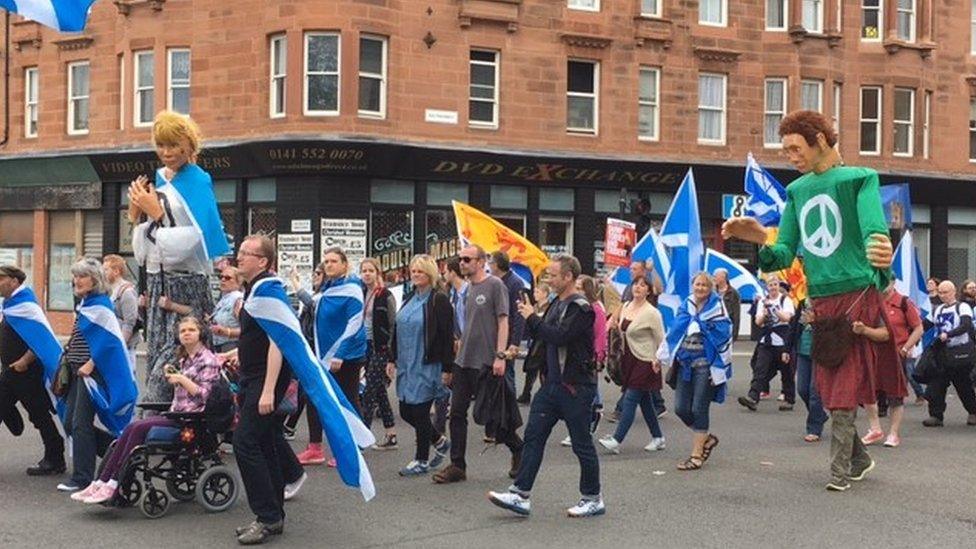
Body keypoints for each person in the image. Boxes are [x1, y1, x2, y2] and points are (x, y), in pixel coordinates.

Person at [722, 109, 896, 492]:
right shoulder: (797, 191)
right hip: (820, 302)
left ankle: (839, 473)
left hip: (855, 296)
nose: (789, 156)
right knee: (827, 385)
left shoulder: (860, 178)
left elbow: (872, 228)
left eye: (794, 148)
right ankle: (860, 459)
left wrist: (880, 249)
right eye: (785, 150)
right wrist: (759, 239)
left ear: (819, 139)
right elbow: (783, 252)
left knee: (842, 386)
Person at [487, 255, 605, 518]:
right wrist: (519, 348)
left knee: (581, 444)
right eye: (547, 275)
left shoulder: (581, 308)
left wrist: (532, 318)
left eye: (552, 275)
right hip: (551, 386)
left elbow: (559, 336)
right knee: (533, 437)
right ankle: (520, 494)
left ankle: (592, 497)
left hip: (576, 386)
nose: (548, 280)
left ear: (568, 277)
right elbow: (543, 338)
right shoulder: (555, 304)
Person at [130, 111, 229, 405]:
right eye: (161, 145)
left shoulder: (198, 181)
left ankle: (159, 422)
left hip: (186, 282)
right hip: (158, 281)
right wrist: (137, 215)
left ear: (188, 144)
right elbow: (145, 247)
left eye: (173, 145)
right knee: (158, 357)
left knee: (179, 360)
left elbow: (195, 239)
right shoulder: (161, 177)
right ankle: (160, 424)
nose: (166, 152)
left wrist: (157, 214)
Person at [72, 316, 222, 504]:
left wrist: (182, 379)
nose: (186, 334)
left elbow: (205, 396)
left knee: (136, 429)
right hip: (176, 414)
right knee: (129, 431)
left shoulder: (208, 360)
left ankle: (112, 483)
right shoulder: (186, 359)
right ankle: (102, 481)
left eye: (191, 330)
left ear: (201, 333)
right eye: (183, 331)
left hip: (190, 419)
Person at [432, 244, 523, 484]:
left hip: (487, 361)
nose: (462, 263)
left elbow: (504, 321)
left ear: (481, 262)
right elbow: (465, 326)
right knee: (457, 414)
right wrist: (453, 360)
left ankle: (518, 449)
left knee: (494, 418)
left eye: (467, 259)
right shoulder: (466, 289)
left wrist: (500, 356)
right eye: (460, 259)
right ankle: (457, 465)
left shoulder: (495, 286)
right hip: (464, 361)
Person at [58, 258, 140, 493]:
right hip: (77, 371)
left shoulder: (101, 307)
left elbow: (109, 344)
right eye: (75, 276)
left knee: (79, 424)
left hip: (90, 373)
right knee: (69, 422)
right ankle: (120, 452)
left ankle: (82, 477)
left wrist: (91, 364)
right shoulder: (87, 304)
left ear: (95, 280)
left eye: (82, 276)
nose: (77, 280)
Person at [233, 235, 294, 545]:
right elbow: (255, 338)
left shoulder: (269, 291)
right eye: (240, 251)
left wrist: (269, 389)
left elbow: (277, 342)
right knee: (266, 443)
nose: (240, 256)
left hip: (263, 380)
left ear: (263, 262)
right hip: (254, 376)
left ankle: (267, 517)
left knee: (244, 443)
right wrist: (233, 354)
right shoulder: (256, 289)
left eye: (247, 253)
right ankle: (275, 515)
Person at [297, 247, 367, 466]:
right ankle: (315, 447)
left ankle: (354, 446)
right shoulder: (329, 288)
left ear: (345, 265)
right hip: (322, 353)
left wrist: (340, 353)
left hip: (345, 356)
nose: (328, 265)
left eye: (333, 261)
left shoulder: (352, 289)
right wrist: (298, 287)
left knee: (347, 399)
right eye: (326, 261)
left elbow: (355, 323)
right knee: (314, 397)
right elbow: (314, 306)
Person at [658, 272, 732, 472]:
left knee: (700, 408)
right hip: (684, 363)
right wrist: (661, 356)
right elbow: (674, 331)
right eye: (697, 284)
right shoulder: (686, 306)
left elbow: (724, 334)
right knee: (681, 408)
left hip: (705, 366)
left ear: (711, 289)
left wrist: (702, 326)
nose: (700, 288)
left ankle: (696, 455)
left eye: (704, 285)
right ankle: (706, 438)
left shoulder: (718, 308)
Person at [387, 255, 453, 476]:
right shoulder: (409, 297)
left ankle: (421, 460)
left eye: (420, 271)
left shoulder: (439, 300)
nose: (415, 275)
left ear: (430, 274)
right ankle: (439, 440)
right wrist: (391, 358)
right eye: (413, 271)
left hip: (427, 364)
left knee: (420, 412)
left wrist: (447, 368)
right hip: (407, 363)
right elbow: (396, 328)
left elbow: (446, 336)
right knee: (406, 411)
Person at [0, 265, 66, 475]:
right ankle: (54, 456)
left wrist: (25, 361)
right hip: (10, 372)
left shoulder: (26, 305)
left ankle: (55, 458)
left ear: (14, 280)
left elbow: (41, 340)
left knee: (39, 415)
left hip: (26, 372)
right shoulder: (10, 305)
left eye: (1, 278)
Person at [598, 275, 666, 454]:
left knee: (630, 399)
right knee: (645, 402)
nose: (638, 287)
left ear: (648, 291)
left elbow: (661, 339)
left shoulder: (652, 313)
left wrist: (658, 360)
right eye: (636, 284)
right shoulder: (626, 306)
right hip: (628, 359)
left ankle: (617, 439)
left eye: (643, 285)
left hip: (646, 361)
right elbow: (616, 325)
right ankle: (658, 437)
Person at [858, 284, 923, 448]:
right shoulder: (871, 302)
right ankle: (875, 428)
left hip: (896, 354)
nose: (882, 285)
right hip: (873, 353)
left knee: (895, 395)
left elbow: (918, 328)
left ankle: (893, 433)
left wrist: (906, 347)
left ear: (893, 282)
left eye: (886, 281)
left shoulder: (903, 302)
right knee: (868, 392)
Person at [922, 280, 976, 427]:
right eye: (940, 292)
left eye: (945, 292)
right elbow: (924, 326)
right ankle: (936, 415)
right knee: (936, 384)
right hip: (942, 354)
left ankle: (973, 411)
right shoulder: (937, 310)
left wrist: (949, 334)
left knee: (963, 385)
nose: (942, 295)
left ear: (954, 292)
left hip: (959, 353)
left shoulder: (962, 307)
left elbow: (966, 325)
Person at [739, 275, 796, 412]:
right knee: (760, 369)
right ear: (767, 287)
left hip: (782, 340)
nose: (773, 287)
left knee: (786, 371)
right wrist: (764, 314)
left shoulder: (785, 300)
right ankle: (753, 397)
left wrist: (775, 310)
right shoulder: (762, 302)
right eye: (770, 285)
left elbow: (787, 318)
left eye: (775, 284)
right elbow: (758, 322)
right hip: (766, 340)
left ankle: (789, 399)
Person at [359, 257, 398, 450]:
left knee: (368, 393)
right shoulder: (362, 292)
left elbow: (393, 324)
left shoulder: (385, 295)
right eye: (364, 271)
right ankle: (391, 434)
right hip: (365, 346)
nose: (367, 274)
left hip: (380, 348)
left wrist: (391, 355)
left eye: (370, 271)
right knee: (379, 390)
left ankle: (362, 439)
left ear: (377, 273)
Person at [488, 250, 526, 397]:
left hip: (508, 336)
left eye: (491, 262)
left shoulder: (515, 283)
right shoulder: (494, 282)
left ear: (496, 265)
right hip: (494, 335)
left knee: (507, 372)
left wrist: (515, 342)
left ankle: (510, 408)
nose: (489, 266)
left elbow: (519, 314)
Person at [795, 302, 828, 442]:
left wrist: (814, 322)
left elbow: (829, 330)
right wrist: (787, 349)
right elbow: (795, 327)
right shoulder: (802, 302)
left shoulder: (825, 304)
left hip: (819, 352)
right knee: (802, 389)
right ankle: (820, 414)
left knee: (815, 391)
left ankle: (814, 428)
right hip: (803, 350)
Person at [102, 255, 141, 368]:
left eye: (106, 270)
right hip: (110, 344)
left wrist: (120, 345)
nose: (103, 273)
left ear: (116, 271)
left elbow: (129, 322)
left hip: (124, 348)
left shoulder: (126, 292)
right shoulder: (107, 290)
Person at [517, 280, 552, 404]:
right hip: (534, 340)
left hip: (543, 342)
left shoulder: (549, 307)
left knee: (543, 369)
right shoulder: (535, 307)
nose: (535, 294)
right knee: (531, 369)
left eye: (538, 291)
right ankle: (526, 393)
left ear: (545, 294)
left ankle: (546, 395)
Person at [211, 266, 244, 353]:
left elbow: (247, 329)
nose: (223, 280)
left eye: (228, 278)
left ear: (239, 281)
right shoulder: (223, 299)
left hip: (232, 345)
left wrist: (227, 332)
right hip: (219, 345)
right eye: (221, 277)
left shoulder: (237, 299)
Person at [714, 268, 741, 341]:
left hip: (727, 327)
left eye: (716, 276)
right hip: (714, 328)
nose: (714, 278)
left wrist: (734, 334)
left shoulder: (733, 293)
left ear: (723, 277)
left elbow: (736, 315)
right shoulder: (712, 292)